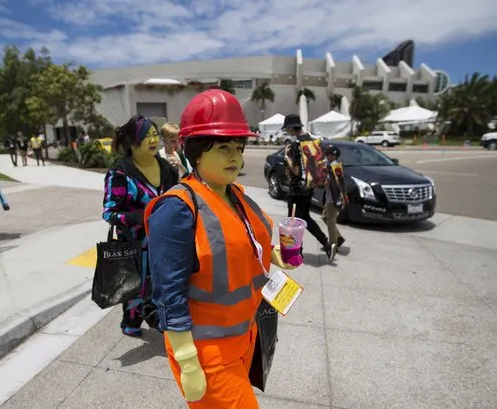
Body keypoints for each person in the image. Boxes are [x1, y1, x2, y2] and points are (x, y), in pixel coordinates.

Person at [145, 89, 299, 408]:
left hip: (245, 337)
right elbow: (168, 293)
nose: (235, 158)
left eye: (239, 147)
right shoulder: (177, 208)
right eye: (224, 147)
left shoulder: (235, 194)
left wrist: (277, 255)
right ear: (196, 153)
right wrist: (188, 362)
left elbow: (247, 242)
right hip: (207, 352)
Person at [102, 115, 179, 337]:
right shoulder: (120, 173)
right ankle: (131, 322)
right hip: (136, 245)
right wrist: (145, 216)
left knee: (165, 286)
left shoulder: (166, 168)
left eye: (155, 134)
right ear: (133, 142)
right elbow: (110, 212)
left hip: (164, 243)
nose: (153, 139)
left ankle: (164, 321)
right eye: (147, 136)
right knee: (135, 290)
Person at [283, 114, 332, 259]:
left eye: (287, 127)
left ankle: (296, 252)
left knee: (293, 220)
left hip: (297, 188)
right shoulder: (313, 140)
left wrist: (287, 157)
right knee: (304, 217)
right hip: (309, 186)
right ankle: (325, 242)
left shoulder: (295, 144)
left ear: (292, 127)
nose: (286, 130)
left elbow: (296, 171)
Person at [321, 143, 347, 260]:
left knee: (330, 223)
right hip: (329, 198)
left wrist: (343, 199)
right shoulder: (329, 165)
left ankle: (332, 246)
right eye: (326, 153)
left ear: (334, 155)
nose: (326, 155)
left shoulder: (335, 166)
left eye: (329, 153)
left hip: (333, 200)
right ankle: (339, 238)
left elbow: (341, 183)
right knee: (325, 217)